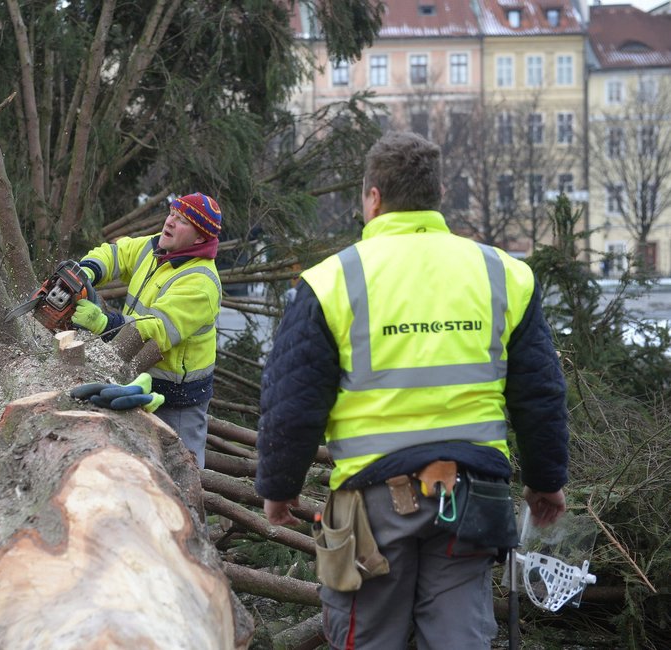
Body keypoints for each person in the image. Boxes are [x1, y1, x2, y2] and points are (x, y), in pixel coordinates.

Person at [254, 131, 569, 649]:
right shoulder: (502, 274)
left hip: (373, 504)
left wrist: (279, 488)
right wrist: (545, 480)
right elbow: (539, 392)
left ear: (373, 197)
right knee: (458, 636)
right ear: (439, 195)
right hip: (473, 497)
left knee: (370, 636)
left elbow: (292, 403)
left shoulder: (333, 280)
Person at [72, 192, 223, 468]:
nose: (171, 222)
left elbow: (156, 331)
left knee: (180, 468)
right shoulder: (157, 248)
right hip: (138, 376)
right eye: (173, 214)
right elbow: (117, 253)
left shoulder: (201, 283)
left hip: (178, 399)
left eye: (183, 221)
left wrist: (104, 324)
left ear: (200, 238)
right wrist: (87, 272)